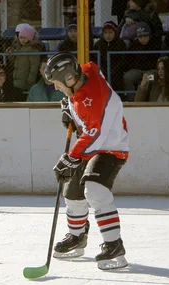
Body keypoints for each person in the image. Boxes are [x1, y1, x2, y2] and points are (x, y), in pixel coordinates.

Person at [45, 52, 130, 270]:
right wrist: (70, 108)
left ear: (69, 79)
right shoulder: (87, 72)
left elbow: (93, 133)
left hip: (111, 147)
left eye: (57, 83)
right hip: (91, 144)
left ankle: (114, 245)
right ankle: (77, 236)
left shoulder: (94, 99)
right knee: (72, 192)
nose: (55, 88)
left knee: (95, 190)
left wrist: (71, 158)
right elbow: (84, 88)